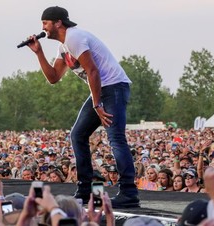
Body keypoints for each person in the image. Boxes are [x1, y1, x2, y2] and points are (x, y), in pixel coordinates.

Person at [27, 6, 138, 207]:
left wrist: (97, 104)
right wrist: (39, 53)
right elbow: (53, 77)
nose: (43, 28)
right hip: (102, 90)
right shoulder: (63, 47)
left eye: (45, 23)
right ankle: (85, 190)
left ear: (58, 23)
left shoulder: (74, 38)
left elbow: (93, 71)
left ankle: (129, 193)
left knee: (115, 138)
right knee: (77, 134)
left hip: (113, 88)